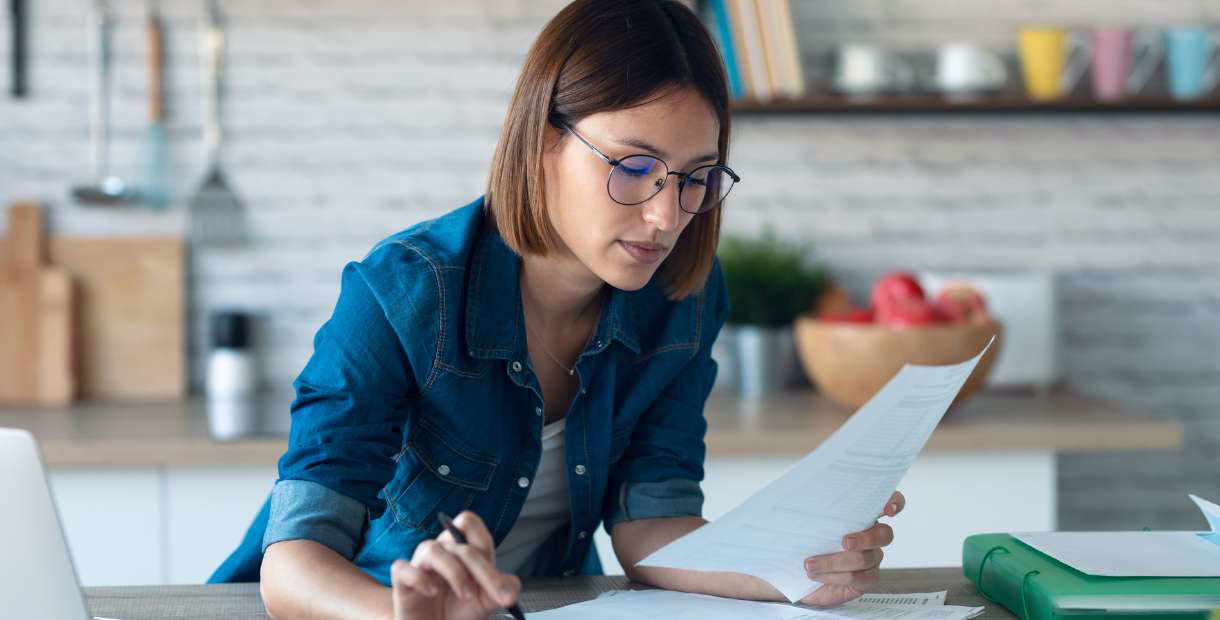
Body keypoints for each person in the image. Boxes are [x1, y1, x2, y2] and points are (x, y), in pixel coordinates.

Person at [211, 1, 905, 618]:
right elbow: (293, 561)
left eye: (697, 178)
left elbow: (649, 526)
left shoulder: (683, 300)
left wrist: (792, 571)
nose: (668, 216)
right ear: (545, 142)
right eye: (634, 167)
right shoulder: (402, 293)